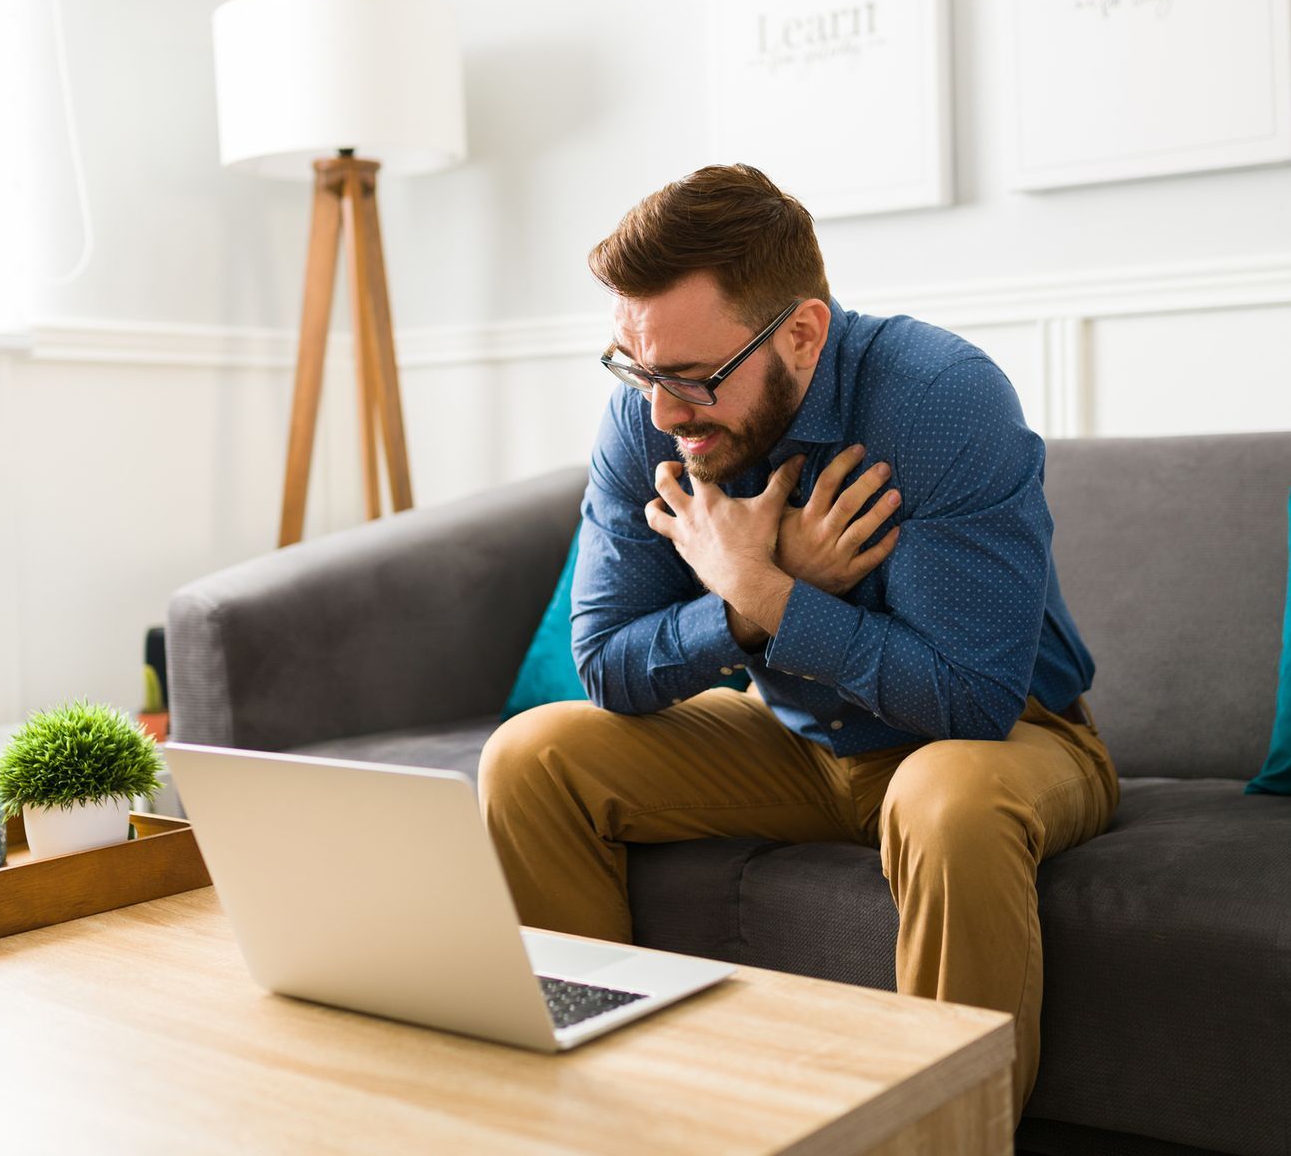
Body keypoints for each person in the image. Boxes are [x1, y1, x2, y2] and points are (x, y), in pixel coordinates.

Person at [478, 163, 1120, 1121]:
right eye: (635, 367)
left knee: (944, 801)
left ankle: (949, 1142)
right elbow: (607, 660)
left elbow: (972, 699)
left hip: (1006, 737)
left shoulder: (943, 399)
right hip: (792, 738)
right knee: (532, 756)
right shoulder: (647, 412)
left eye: (692, 377)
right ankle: (601, 1118)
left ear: (804, 332)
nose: (661, 411)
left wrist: (772, 591)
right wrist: (747, 604)